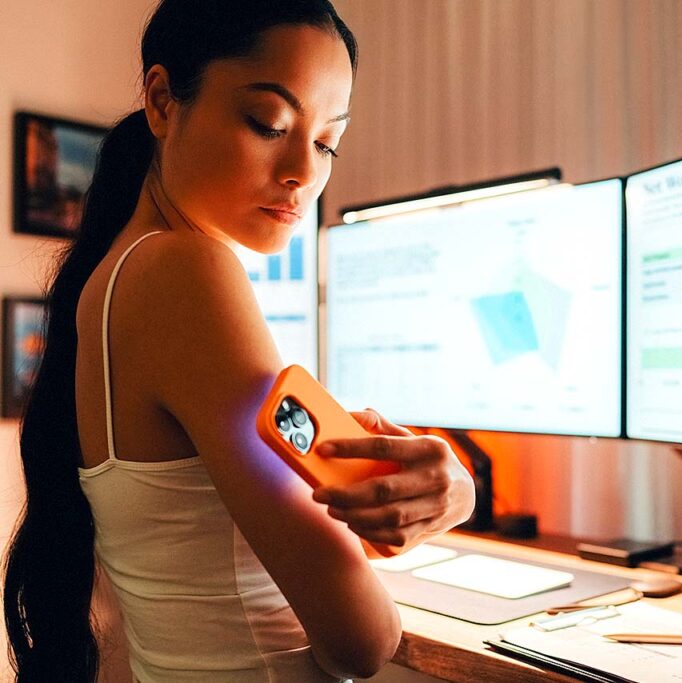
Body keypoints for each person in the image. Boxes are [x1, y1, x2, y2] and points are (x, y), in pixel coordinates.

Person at [2, 1, 475, 680]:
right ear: (163, 100)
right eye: (269, 123)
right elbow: (362, 639)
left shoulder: (114, 279)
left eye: (326, 142)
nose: (302, 172)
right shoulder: (185, 271)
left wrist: (431, 494)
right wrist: (438, 496)